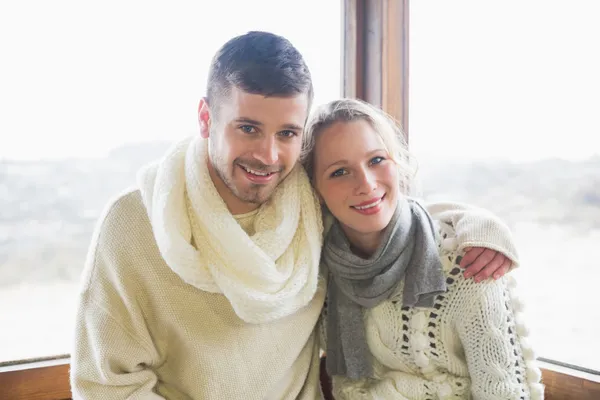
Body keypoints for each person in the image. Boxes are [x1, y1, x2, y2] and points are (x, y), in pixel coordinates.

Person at [70, 31, 521, 399]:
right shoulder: (133, 225)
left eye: (287, 133)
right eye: (248, 128)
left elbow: (385, 206)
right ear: (206, 118)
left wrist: (478, 223)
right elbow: (106, 388)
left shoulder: (306, 202)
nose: (268, 156)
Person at [301, 98, 545, 399]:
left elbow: (504, 391)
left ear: (396, 163)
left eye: (377, 160)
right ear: (315, 190)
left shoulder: (467, 263)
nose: (366, 184)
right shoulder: (320, 270)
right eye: (340, 172)